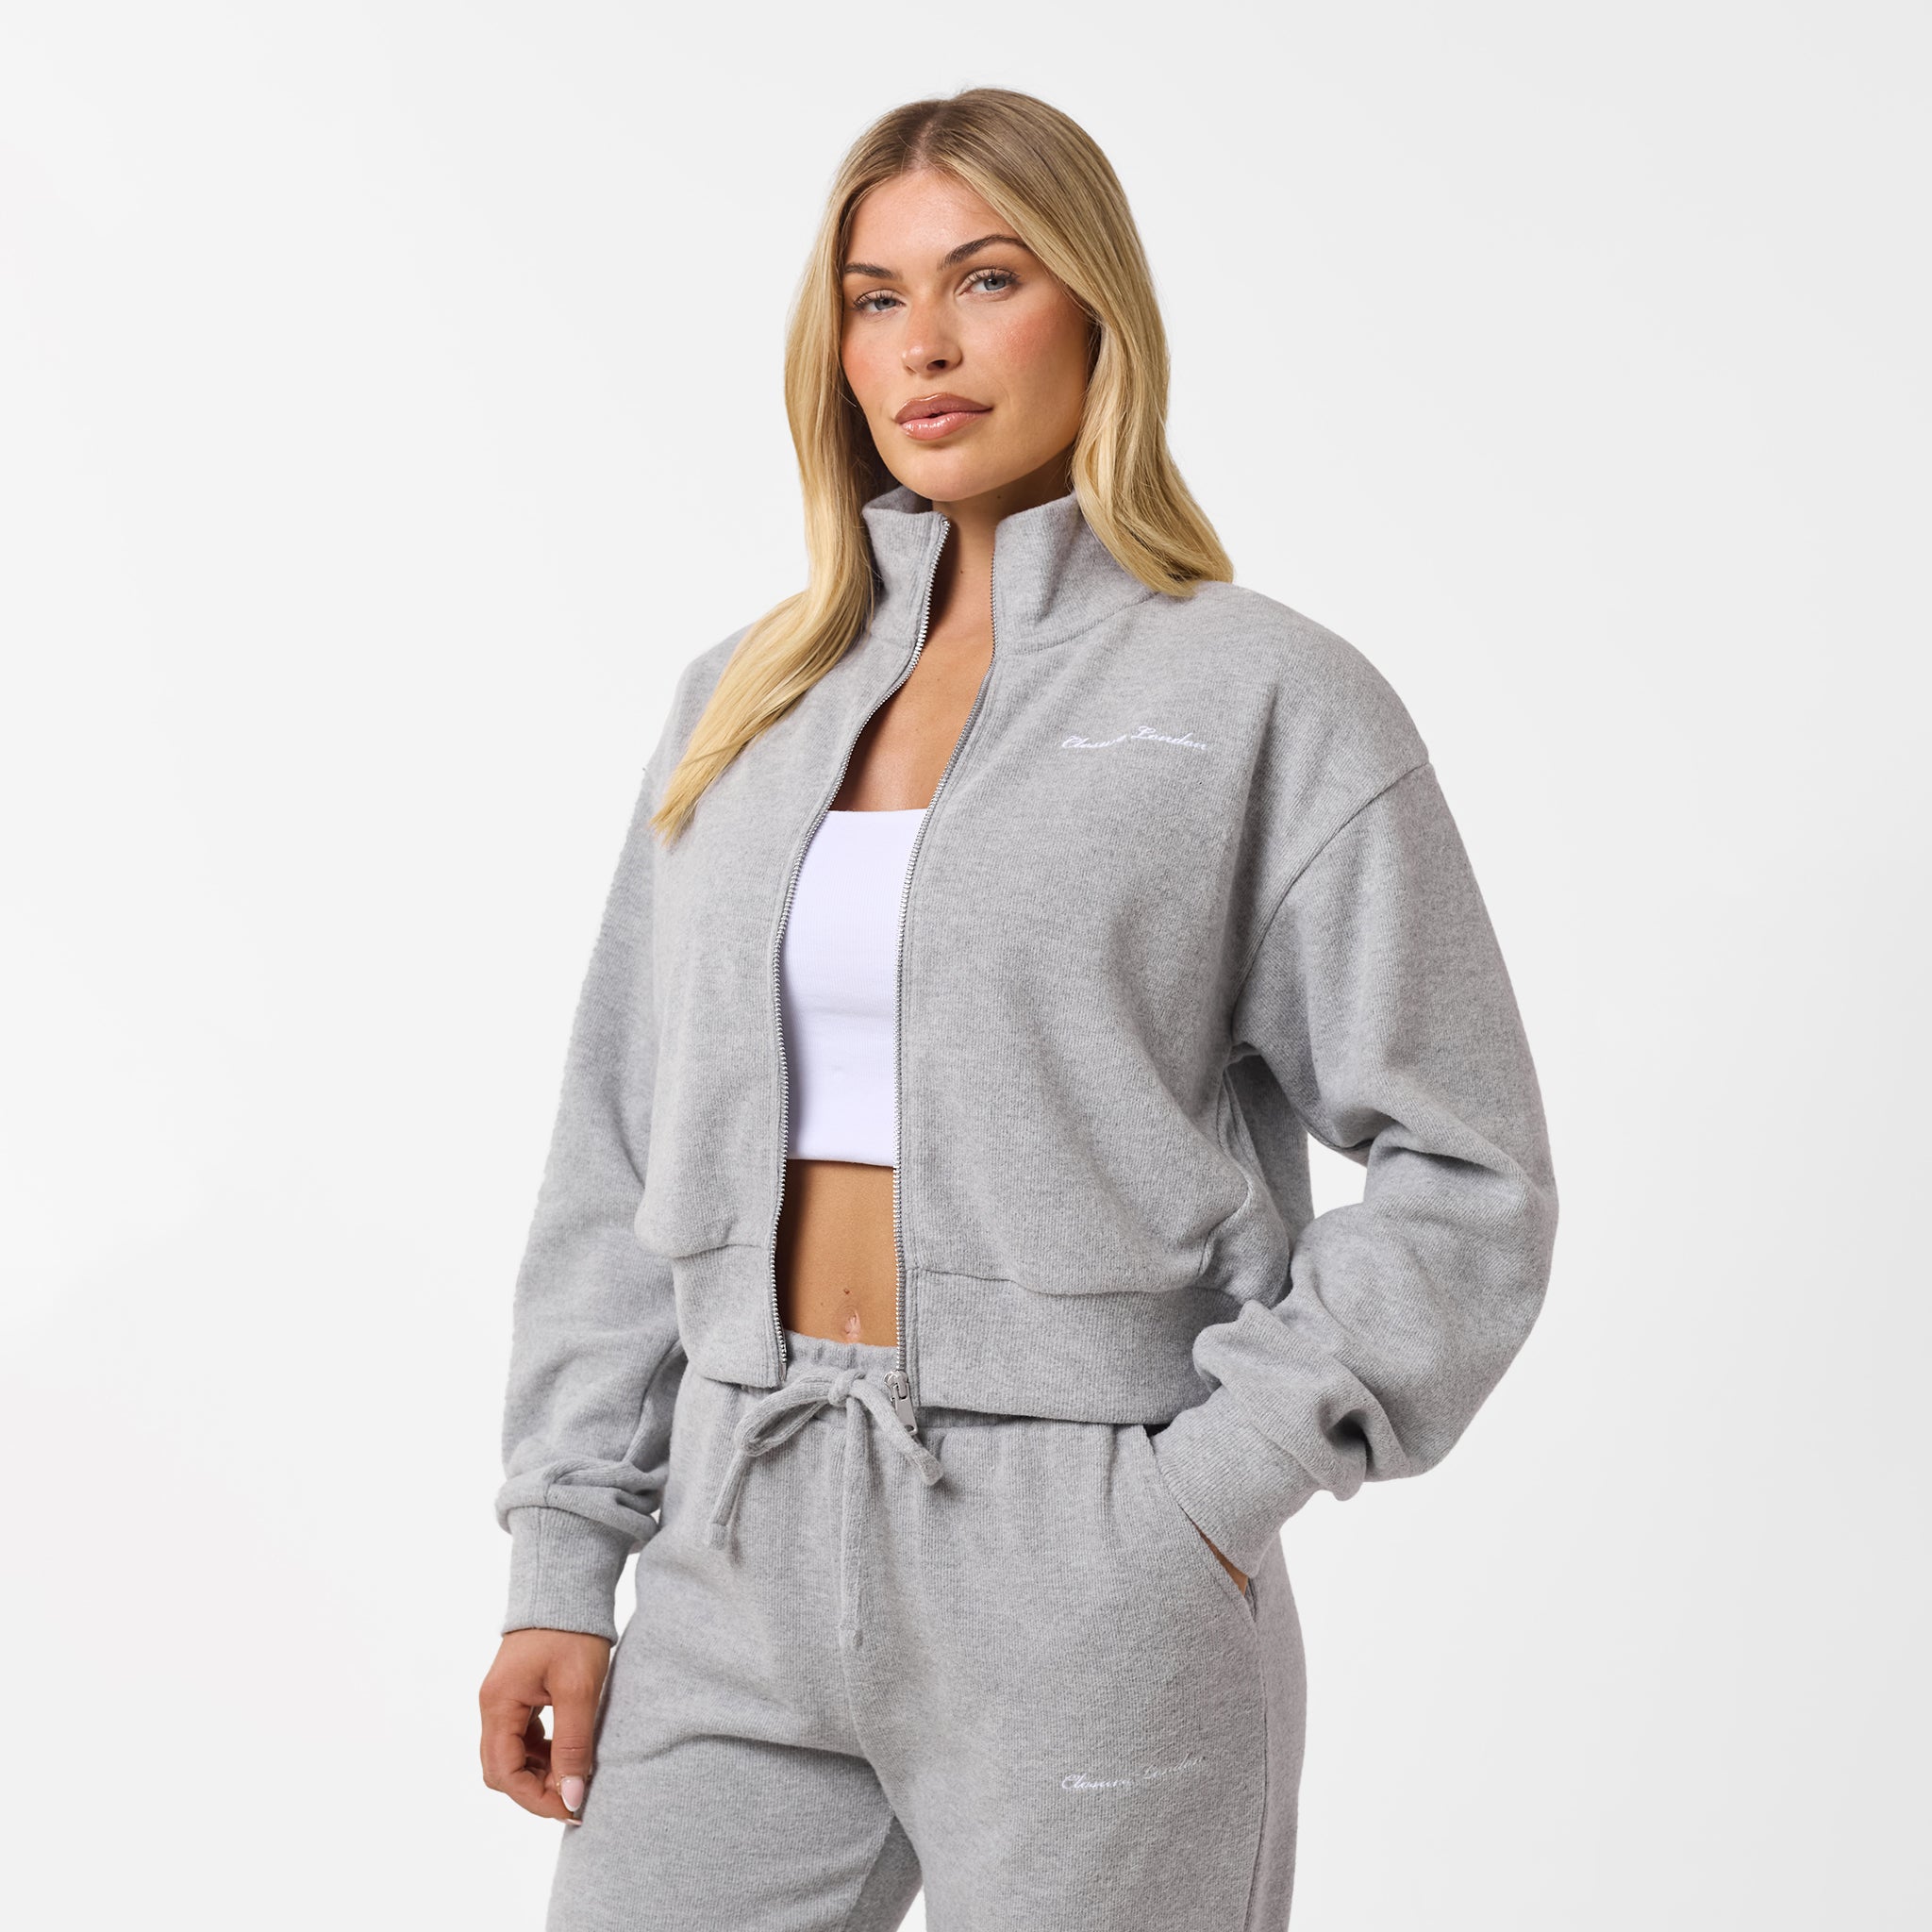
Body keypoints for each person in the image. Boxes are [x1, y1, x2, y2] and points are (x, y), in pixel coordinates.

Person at [476, 84, 1558, 1931]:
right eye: (875, 295)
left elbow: (1470, 1172)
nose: (925, 342)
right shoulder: (739, 702)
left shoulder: (1260, 698)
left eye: (986, 278)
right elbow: (617, 1151)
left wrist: (1202, 1496)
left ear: (1096, 307)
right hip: (737, 1529)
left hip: (1090, 1563)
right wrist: (564, 1555)